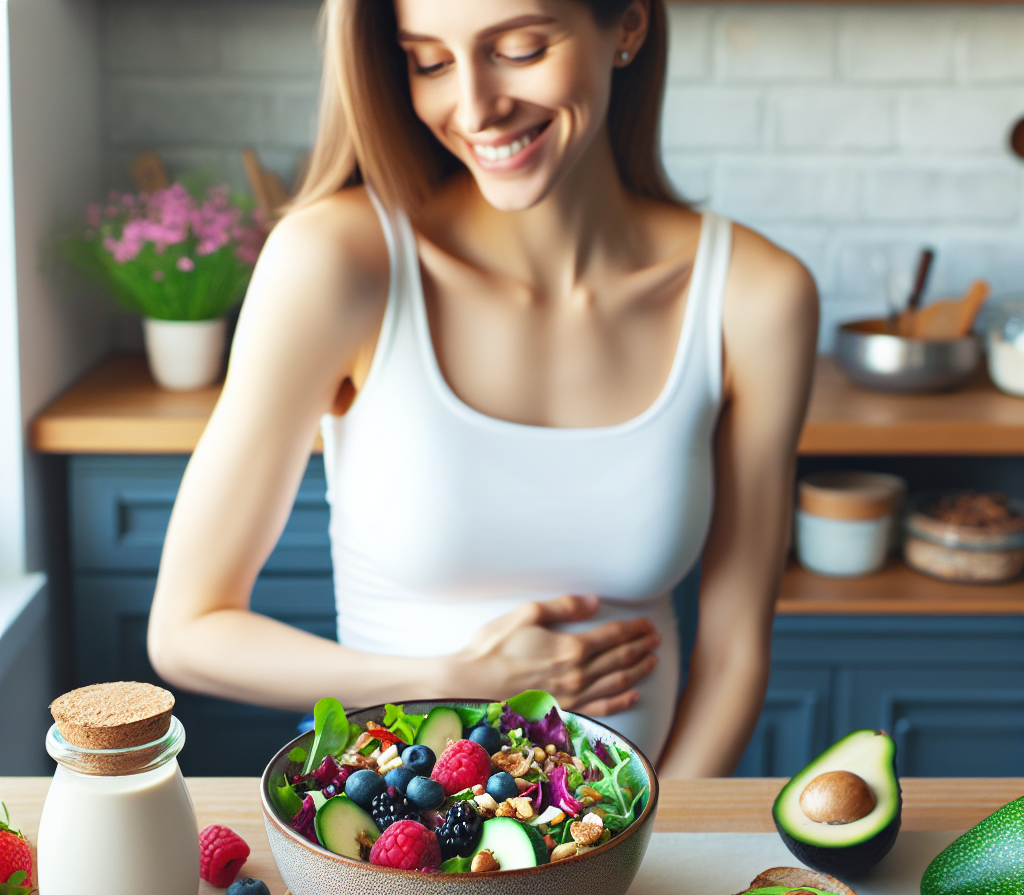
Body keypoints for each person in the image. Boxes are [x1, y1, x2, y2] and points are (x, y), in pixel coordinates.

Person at [147, 0, 818, 777]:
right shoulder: (337, 262)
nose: (474, 107)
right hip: (391, 848)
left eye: (522, 48)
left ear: (627, 25)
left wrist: (648, 850)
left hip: (635, 857)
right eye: (429, 61)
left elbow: (735, 656)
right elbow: (187, 632)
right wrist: (457, 680)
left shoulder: (756, 297)